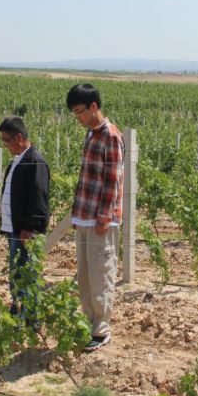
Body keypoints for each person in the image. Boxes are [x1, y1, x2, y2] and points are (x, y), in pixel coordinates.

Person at [66, 83, 124, 353]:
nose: (77, 117)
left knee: (101, 275)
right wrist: (77, 214)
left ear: (94, 107)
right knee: (86, 276)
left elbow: (113, 180)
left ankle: (101, 330)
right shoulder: (90, 134)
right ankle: (89, 324)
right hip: (84, 216)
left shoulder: (110, 136)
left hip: (100, 219)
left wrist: (103, 216)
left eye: (79, 111)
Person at [0, 116, 50, 319]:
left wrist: (31, 228)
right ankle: (19, 311)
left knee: (26, 275)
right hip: (14, 229)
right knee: (17, 274)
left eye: (6, 140)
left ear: (19, 137)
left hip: (25, 232)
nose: (5, 145)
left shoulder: (35, 162)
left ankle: (30, 318)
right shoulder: (17, 162)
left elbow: (39, 200)